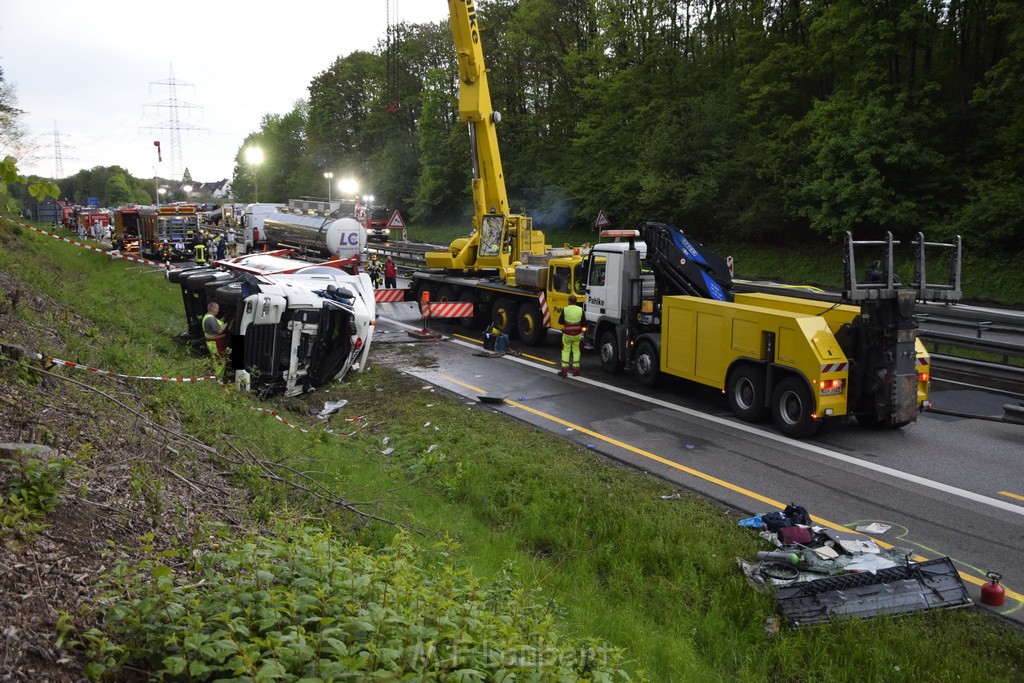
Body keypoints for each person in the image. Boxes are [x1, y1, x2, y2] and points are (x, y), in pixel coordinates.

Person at [557, 294, 584, 377]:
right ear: (576, 302)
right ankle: (576, 371)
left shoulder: (565, 309)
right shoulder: (580, 310)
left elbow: (560, 321)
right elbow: (584, 322)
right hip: (577, 334)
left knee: (566, 351)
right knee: (576, 351)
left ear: (569, 301)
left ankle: (564, 371)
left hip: (567, 334)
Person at [202, 301, 229, 378]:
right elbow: (219, 330)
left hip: (214, 343)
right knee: (220, 362)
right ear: (213, 308)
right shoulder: (210, 319)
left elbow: (217, 322)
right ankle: (218, 380)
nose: (218, 310)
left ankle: (212, 375)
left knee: (217, 361)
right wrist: (228, 323)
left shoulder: (209, 317)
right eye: (217, 309)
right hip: (215, 343)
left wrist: (224, 318)